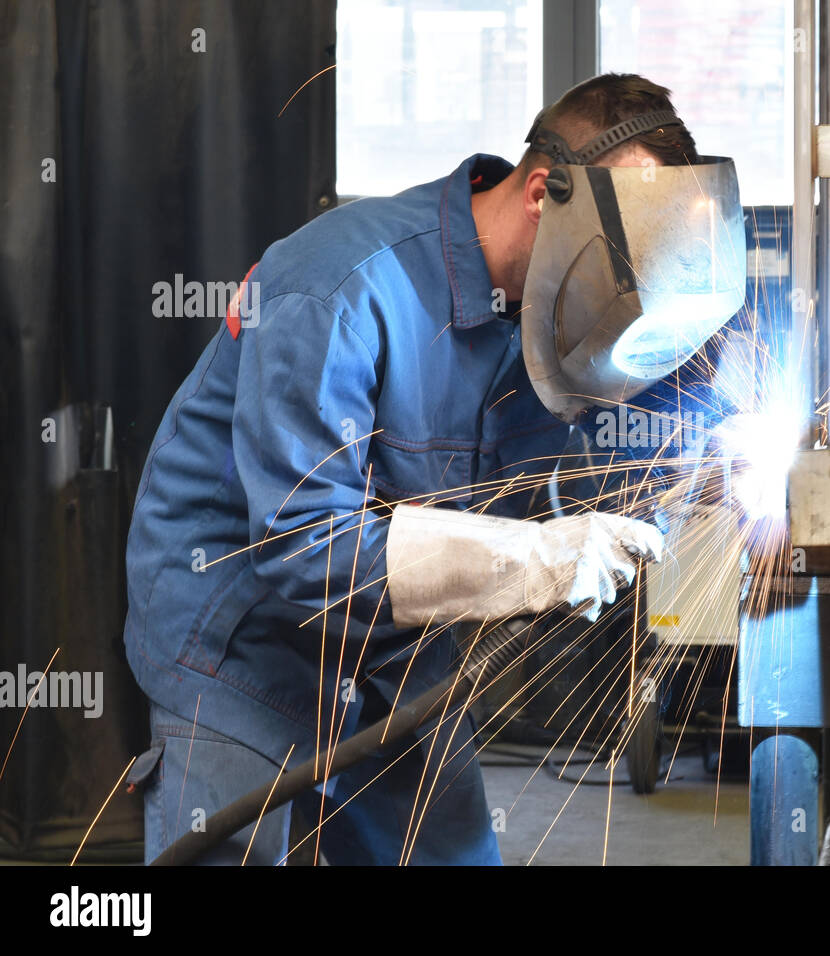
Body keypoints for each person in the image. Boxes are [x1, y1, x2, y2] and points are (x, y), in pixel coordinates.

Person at [122, 73, 746, 865]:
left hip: (393, 655)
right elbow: (304, 543)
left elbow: (582, 474)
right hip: (240, 646)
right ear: (544, 193)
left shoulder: (552, 318)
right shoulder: (344, 286)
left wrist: (703, 469)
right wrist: (541, 561)